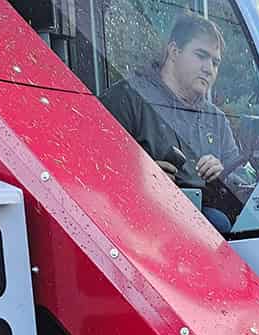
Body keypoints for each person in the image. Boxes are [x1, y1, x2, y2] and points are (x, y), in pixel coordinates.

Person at [100, 15, 251, 230]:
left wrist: (223, 175)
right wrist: (140, 176)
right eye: (201, 56)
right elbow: (93, 173)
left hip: (204, 231)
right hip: (137, 228)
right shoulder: (128, 99)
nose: (209, 69)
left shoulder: (216, 119)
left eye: (215, 63)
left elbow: (244, 182)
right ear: (174, 51)